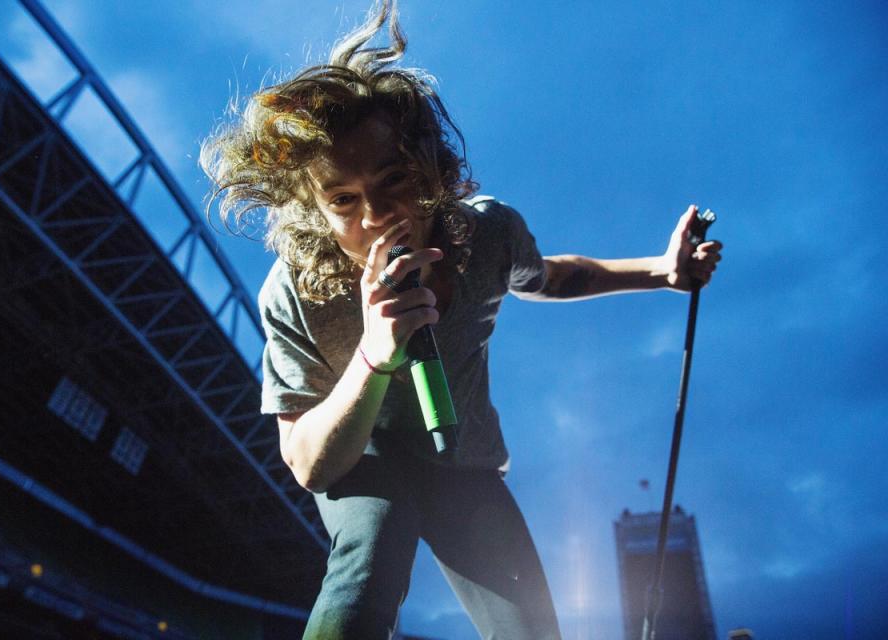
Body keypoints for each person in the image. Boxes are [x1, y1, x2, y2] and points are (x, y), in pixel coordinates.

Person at [200, 2, 722, 638]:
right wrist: (372, 351)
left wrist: (662, 272)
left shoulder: (489, 234)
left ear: (431, 171)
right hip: (359, 459)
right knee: (372, 549)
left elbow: (552, 276)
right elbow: (307, 461)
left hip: (463, 459)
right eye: (343, 200)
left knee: (531, 628)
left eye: (392, 178)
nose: (375, 214)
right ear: (316, 210)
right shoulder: (294, 293)